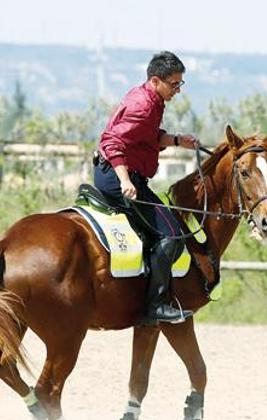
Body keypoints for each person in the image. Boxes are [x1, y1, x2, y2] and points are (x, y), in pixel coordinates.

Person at [94, 51, 199, 324]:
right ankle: (155, 306)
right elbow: (111, 143)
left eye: (180, 84)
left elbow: (146, 137)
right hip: (119, 177)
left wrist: (177, 141)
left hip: (124, 174)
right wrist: (125, 179)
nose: (178, 90)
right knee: (172, 234)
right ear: (155, 80)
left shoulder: (151, 100)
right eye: (174, 84)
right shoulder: (143, 105)